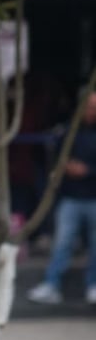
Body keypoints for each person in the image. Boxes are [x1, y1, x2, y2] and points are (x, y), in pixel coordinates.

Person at [27, 91, 96, 306]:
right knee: (63, 241)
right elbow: (54, 157)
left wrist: (88, 171)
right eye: (90, 106)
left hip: (94, 195)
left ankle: (93, 284)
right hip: (71, 196)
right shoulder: (69, 131)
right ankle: (52, 284)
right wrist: (66, 166)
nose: (92, 111)